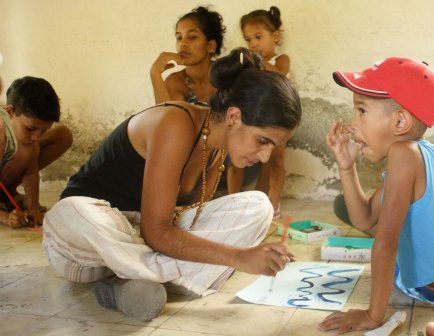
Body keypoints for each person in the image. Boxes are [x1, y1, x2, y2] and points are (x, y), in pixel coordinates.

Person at [42, 48, 302, 322]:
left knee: (258, 205)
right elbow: (156, 232)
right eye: (263, 141)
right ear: (234, 117)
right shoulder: (176, 123)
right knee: (74, 210)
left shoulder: (218, 149)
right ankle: (155, 275)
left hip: (135, 246)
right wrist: (238, 257)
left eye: (274, 146)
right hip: (84, 247)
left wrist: (242, 253)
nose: (265, 156)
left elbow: (174, 223)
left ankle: (127, 284)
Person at [318, 57, 434, 334]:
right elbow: (364, 221)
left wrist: (373, 317)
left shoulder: (404, 155)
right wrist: (346, 166)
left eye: (360, 110)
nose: (352, 124)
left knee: (387, 237)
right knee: (366, 214)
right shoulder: (416, 151)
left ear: (400, 121)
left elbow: (385, 243)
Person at [227, 6, 291, 217]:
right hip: (253, 118)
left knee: (275, 162)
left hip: (279, 120)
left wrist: (256, 60)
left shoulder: (280, 60)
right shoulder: (251, 65)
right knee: (236, 161)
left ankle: (272, 205)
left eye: (258, 37)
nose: (253, 44)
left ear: (274, 36)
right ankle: (233, 201)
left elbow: (280, 74)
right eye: (248, 40)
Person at [0, 77, 72, 228]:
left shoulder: (28, 139)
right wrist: (5, 218)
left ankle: (8, 197)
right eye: (31, 128)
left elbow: (31, 169)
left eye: (44, 130)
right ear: (9, 112)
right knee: (28, 148)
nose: (36, 137)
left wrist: (33, 209)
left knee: (58, 136)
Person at [150, 6, 225, 105]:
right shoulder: (176, 82)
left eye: (192, 37)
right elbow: (168, 119)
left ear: (210, 45)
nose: (182, 43)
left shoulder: (229, 75)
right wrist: (155, 74)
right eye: (179, 37)